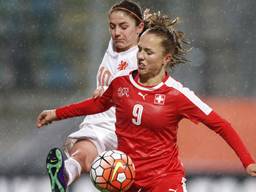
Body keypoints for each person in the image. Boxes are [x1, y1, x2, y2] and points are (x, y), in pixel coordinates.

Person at [37, 10, 256, 192]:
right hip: (128, 180)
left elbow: (221, 125)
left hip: (164, 181)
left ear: (165, 59)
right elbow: (97, 105)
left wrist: (247, 161)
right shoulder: (121, 84)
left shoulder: (177, 94)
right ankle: (70, 169)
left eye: (149, 52)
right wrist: (57, 113)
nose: (140, 56)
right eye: (140, 50)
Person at [42, 1, 144, 192]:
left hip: (125, 125)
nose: (117, 32)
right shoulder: (116, 44)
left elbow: (144, 88)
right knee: (82, 151)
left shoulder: (141, 57)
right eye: (112, 26)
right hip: (100, 119)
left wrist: (113, 93)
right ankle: (65, 174)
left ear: (139, 28)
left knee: (131, 182)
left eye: (123, 27)